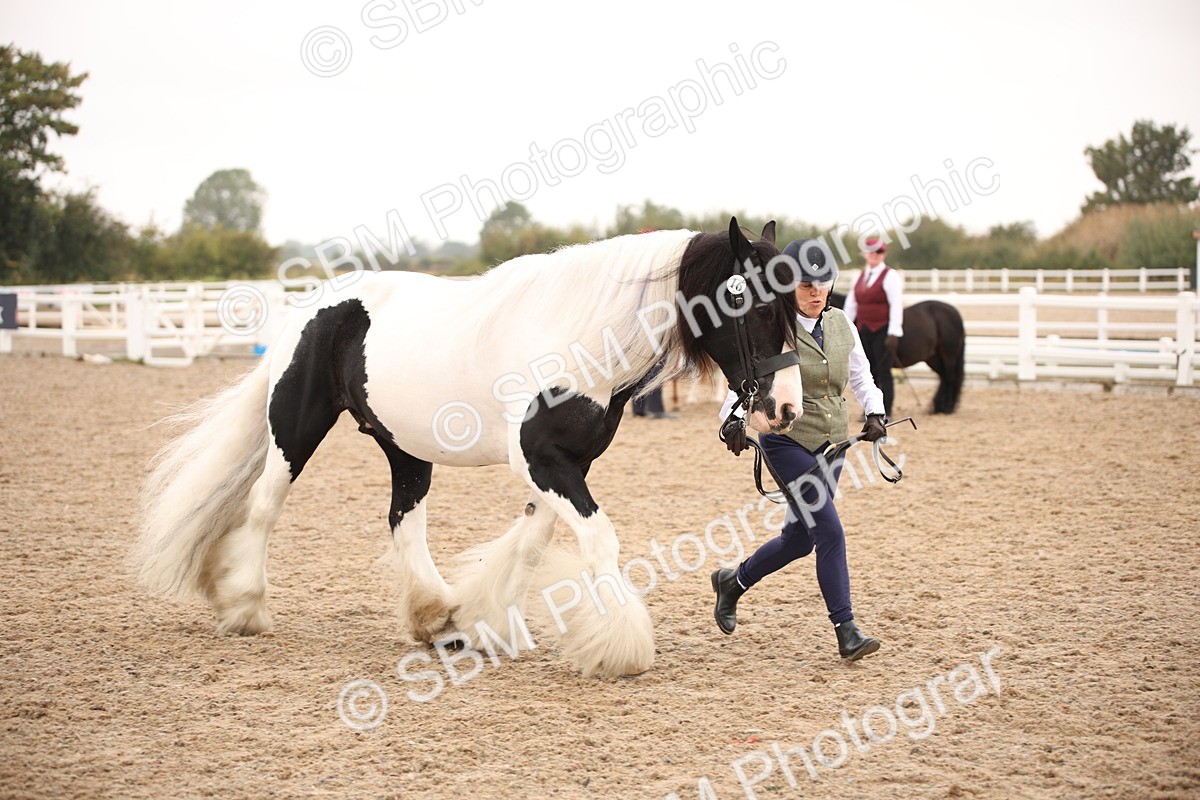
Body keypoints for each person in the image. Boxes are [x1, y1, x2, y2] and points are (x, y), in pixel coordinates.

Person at [712, 239, 887, 661]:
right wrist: (730, 420)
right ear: (788, 286)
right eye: (806, 285)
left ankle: (733, 582)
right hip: (786, 442)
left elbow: (861, 377)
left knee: (799, 539)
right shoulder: (774, 327)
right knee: (829, 530)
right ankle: (846, 630)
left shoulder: (843, 324)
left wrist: (876, 412)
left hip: (834, 443)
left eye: (822, 284)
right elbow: (747, 382)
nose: (816, 293)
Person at [842, 236, 903, 418]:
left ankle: (887, 410)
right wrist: (844, 327)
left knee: (884, 372)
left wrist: (894, 332)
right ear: (865, 254)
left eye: (879, 252)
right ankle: (871, 409)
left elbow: (896, 304)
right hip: (864, 330)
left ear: (883, 254)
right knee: (868, 373)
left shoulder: (890, 275)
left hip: (882, 330)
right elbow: (851, 304)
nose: (874, 255)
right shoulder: (860, 276)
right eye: (871, 252)